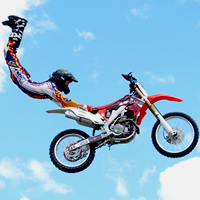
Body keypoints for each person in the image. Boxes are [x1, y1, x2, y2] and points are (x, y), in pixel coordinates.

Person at [2, 15, 93, 111]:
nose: (67, 85)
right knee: (9, 52)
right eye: (67, 82)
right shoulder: (49, 88)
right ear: (60, 79)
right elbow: (66, 101)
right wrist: (86, 107)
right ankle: (20, 25)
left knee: (9, 51)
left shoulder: (51, 92)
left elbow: (65, 106)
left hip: (23, 80)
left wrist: (89, 111)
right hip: (22, 79)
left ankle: (16, 29)